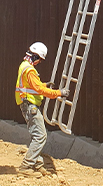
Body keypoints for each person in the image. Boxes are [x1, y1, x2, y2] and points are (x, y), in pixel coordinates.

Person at [14, 41, 70, 177]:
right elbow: (38, 89)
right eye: (39, 59)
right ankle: (26, 166)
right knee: (40, 136)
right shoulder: (30, 70)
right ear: (35, 56)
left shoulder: (24, 66)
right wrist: (59, 93)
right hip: (30, 105)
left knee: (37, 135)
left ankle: (36, 164)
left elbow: (34, 86)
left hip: (27, 104)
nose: (39, 62)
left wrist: (44, 84)